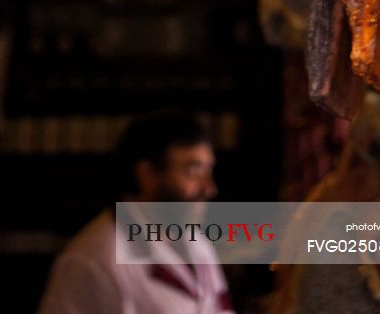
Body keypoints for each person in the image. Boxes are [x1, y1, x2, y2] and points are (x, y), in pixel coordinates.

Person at [37, 110, 235, 314]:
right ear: (147, 174)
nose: (209, 188)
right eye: (193, 171)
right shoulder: (91, 262)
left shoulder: (196, 241)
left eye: (208, 171)